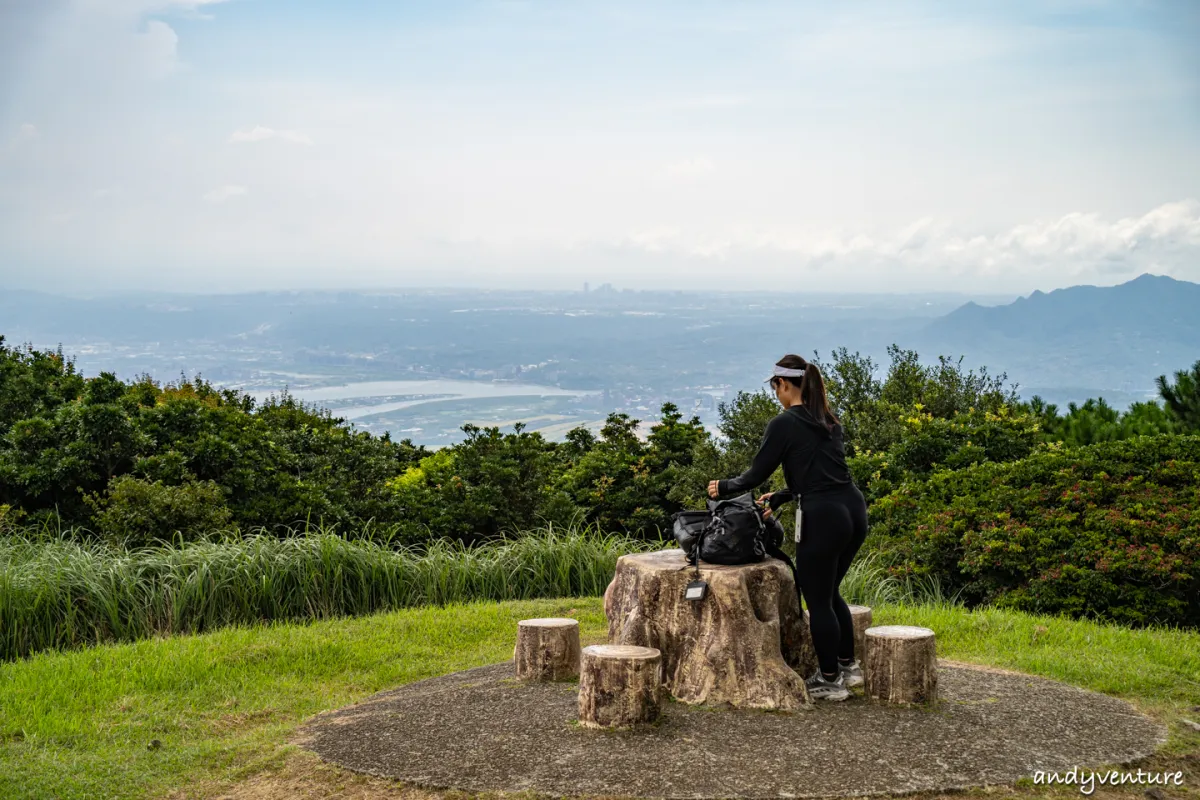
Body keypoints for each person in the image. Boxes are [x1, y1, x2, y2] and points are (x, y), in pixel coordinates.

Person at [706, 354, 868, 702]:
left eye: (775, 388)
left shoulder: (784, 423)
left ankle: (829, 680)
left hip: (823, 517)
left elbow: (755, 474)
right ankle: (848, 667)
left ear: (782, 384)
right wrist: (782, 496)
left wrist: (724, 487)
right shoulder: (827, 420)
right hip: (853, 510)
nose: (776, 395)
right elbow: (821, 472)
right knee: (830, 591)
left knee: (818, 599)